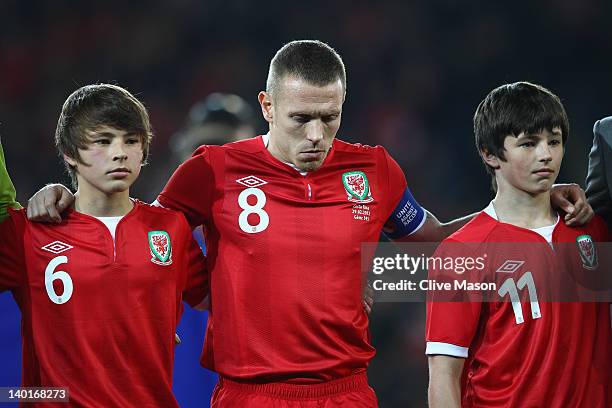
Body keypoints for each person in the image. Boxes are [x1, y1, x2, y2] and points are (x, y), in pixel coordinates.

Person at [25, 42, 592, 406]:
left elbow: (436, 242)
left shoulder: (374, 168)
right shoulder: (214, 171)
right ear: (267, 106)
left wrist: (528, 198)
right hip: (249, 394)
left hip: (346, 392)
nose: (317, 136)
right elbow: (139, 229)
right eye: (301, 119)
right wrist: (68, 195)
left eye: (330, 117)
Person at [0, 84, 208, 407]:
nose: (119, 152)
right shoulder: (30, 233)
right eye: (103, 140)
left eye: (131, 141)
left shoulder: (171, 229)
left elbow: (219, 300)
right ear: (69, 152)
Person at [426, 82, 611, 407]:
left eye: (554, 141)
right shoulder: (461, 253)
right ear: (490, 153)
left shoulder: (591, 231)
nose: (546, 155)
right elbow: (444, 375)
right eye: (528, 144)